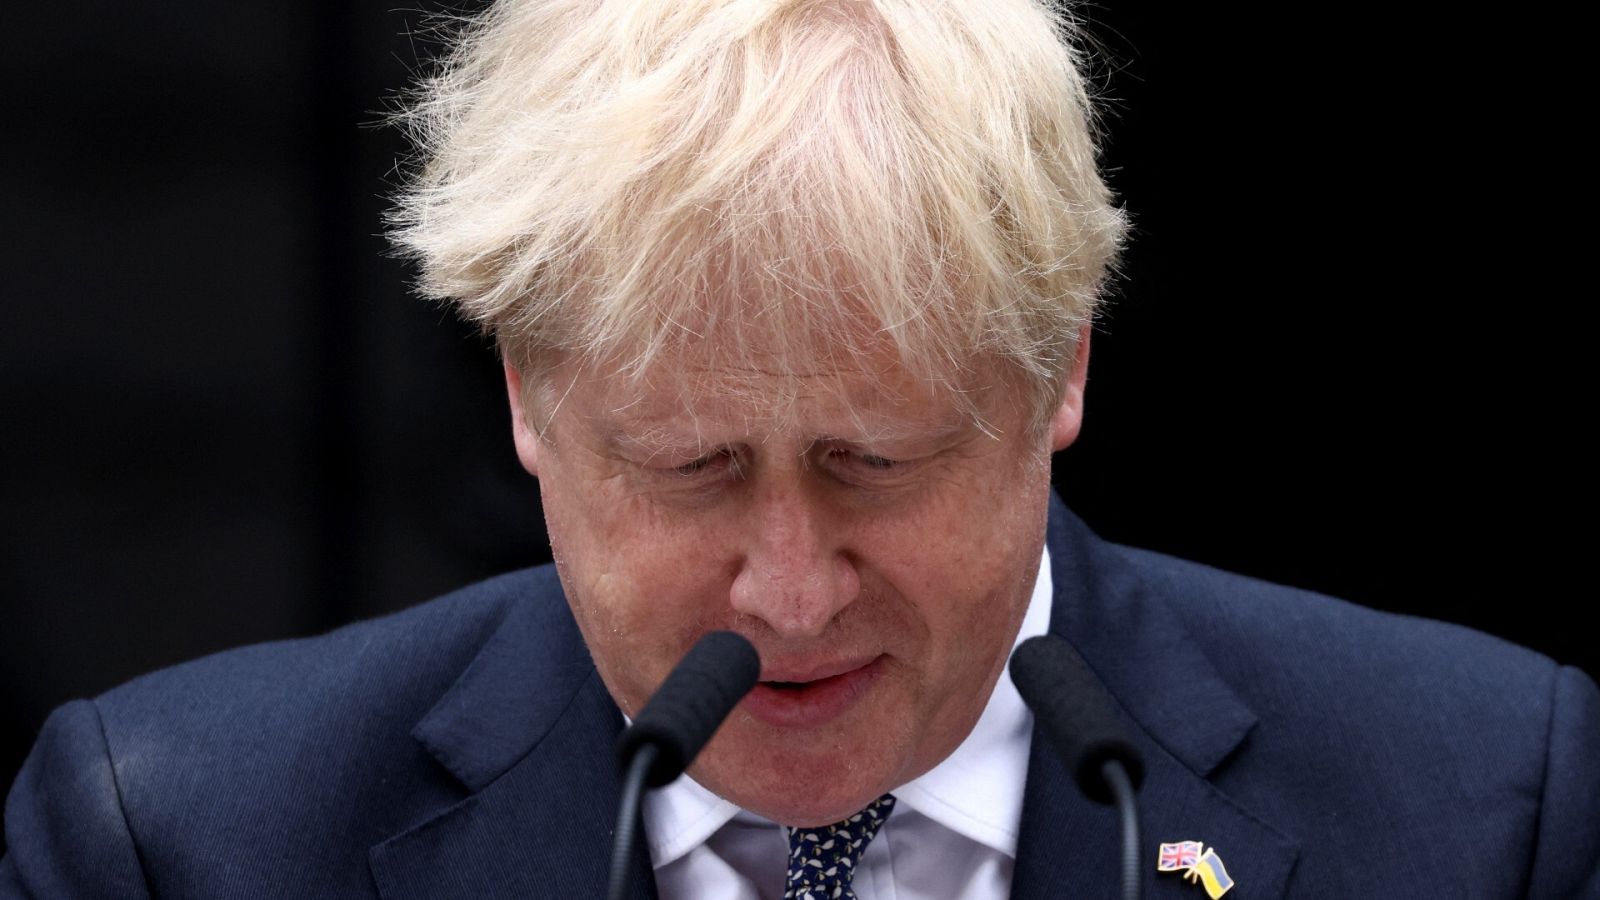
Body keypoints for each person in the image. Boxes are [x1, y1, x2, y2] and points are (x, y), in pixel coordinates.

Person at [4, 0, 1596, 897]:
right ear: (526, 401)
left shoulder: (1485, 806)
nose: (788, 591)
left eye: (874, 462)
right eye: (690, 467)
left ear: (1063, 368)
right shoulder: (180, 840)